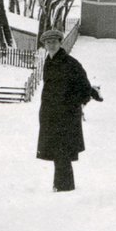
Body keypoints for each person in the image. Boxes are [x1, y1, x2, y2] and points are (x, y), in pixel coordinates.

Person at [36, 29, 101, 192]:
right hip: (51, 115)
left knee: (62, 151)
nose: (51, 45)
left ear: (60, 43)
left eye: (54, 42)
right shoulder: (48, 62)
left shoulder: (71, 63)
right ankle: (61, 186)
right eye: (48, 42)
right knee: (57, 152)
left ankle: (64, 188)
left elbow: (85, 89)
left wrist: (70, 105)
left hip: (66, 116)